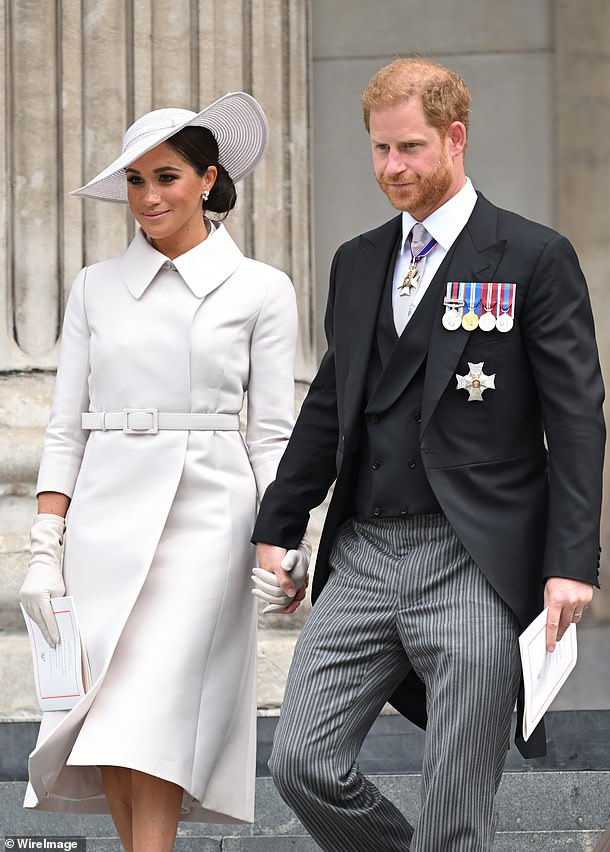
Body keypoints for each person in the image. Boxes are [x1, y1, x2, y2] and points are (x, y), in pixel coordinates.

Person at [252, 58, 605, 851]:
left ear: (456, 137)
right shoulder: (356, 258)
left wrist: (572, 560)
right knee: (302, 762)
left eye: (409, 148)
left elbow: (577, 418)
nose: (391, 169)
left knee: (453, 810)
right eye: (378, 150)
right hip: (366, 552)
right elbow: (330, 407)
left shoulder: (532, 256)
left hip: (474, 558)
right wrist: (280, 523)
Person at [19, 91, 309, 852]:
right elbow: (63, 426)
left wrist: (283, 541)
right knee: (109, 720)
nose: (148, 197)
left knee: (156, 715)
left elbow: (274, 434)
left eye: (167, 177)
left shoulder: (262, 289)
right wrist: (46, 548)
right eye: (136, 181)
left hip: (208, 522)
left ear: (209, 180)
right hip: (105, 526)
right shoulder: (93, 286)